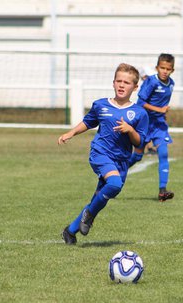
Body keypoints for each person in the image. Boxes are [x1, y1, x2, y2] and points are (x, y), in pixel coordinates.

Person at [58, 63, 149, 245]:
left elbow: (140, 142)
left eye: (127, 82)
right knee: (114, 184)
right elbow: (88, 122)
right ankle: (89, 215)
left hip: (121, 160)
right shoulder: (100, 105)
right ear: (113, 83)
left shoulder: (140, 113)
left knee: (100, 197)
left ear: (135, 87)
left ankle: (70, 231)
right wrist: (71, 133)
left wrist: (130, 130)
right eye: (119, 81)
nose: (122, 85)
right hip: (100, 154)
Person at [128, 54, 176, 201]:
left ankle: (162, 191)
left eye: (168, 69)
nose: (165, 71)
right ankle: (115, 172)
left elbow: (162, 103)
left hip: (159, 125)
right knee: (137, 156)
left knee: (163, 153)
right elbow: (140, 102)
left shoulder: (171, 83)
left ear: (172, 70)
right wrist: (159, 110)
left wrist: (162, 114)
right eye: (162, 68)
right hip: (144, 123)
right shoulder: (151, 82)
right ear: (157, 68)